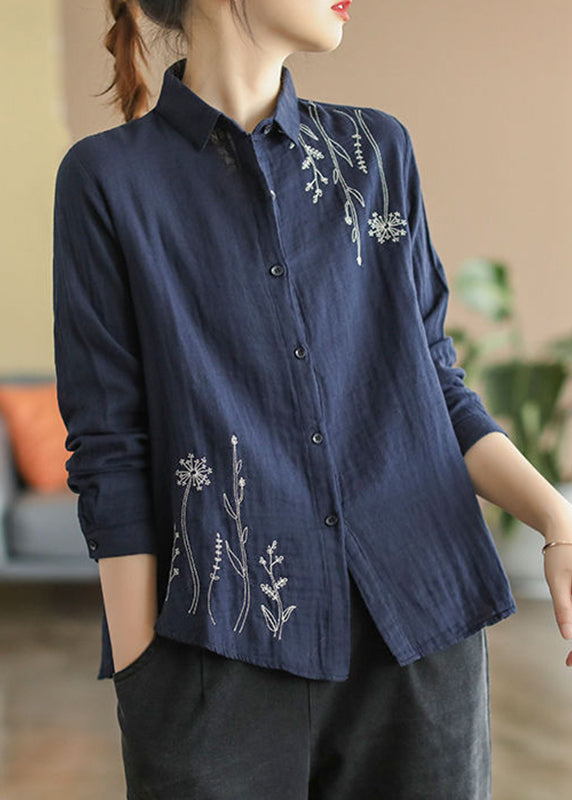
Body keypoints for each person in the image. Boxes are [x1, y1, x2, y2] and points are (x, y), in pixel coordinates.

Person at [51, 1, 572, 797]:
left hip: (419, 632)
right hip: (218, 645)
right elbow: (111, 447)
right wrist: (143, 675)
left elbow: (434, 385)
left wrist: (557, 519)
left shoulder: (376, 152)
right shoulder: (108, 180)